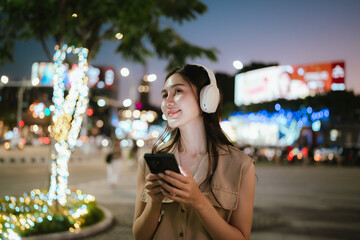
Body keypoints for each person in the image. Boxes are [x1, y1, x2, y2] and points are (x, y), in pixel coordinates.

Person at [133, 64, 255, 240]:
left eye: (178, 91)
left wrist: (198, 201)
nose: (168, 102)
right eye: (165, 95)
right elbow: (139, 236)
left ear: (207, 98)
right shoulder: (149, 163)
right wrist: (154, 202)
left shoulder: (241, 165)